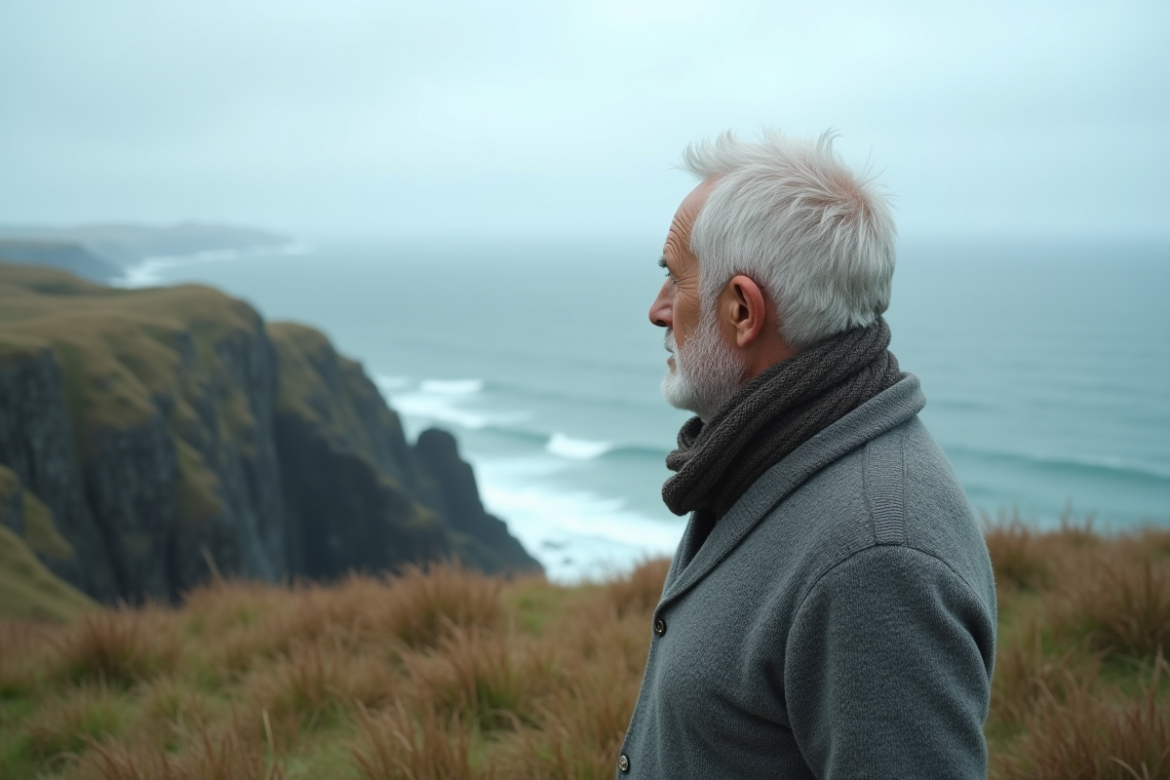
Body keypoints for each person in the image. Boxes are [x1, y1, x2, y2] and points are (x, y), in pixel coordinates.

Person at [617, 130, 997, 779]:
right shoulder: (772, 451)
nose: (656, 312)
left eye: (673, 279)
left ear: (742, 310)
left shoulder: (877, 561)